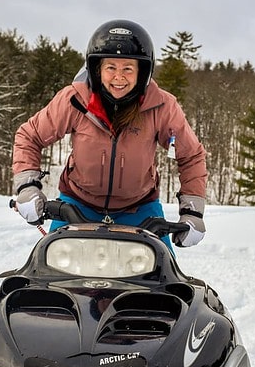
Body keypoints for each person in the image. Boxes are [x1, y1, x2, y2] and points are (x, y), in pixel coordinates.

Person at [12, 19, 207, 248]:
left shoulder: (163, 107)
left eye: (128, 68)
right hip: (76, 205)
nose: (119, 77)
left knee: (164, 276)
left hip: (140, 208)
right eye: (111, 68)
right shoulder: (74, 100)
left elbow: (191, 155)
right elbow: (30, 135)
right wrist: (27, 188)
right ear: (97, 69)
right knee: (49, 268)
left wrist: (192, 212)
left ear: (142, 72)